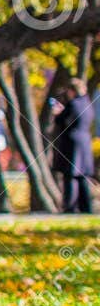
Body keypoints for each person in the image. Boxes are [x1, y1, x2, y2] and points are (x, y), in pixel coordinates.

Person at [50, 79, 95, 214]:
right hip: (85, 142)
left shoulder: (73, 105)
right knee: (82, 177)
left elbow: (62, 121)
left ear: (71, 91)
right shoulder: (87, 103)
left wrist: (57, 113)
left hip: (72, 144)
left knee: (69, 176)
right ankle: (85, 206)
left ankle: (69, 206)